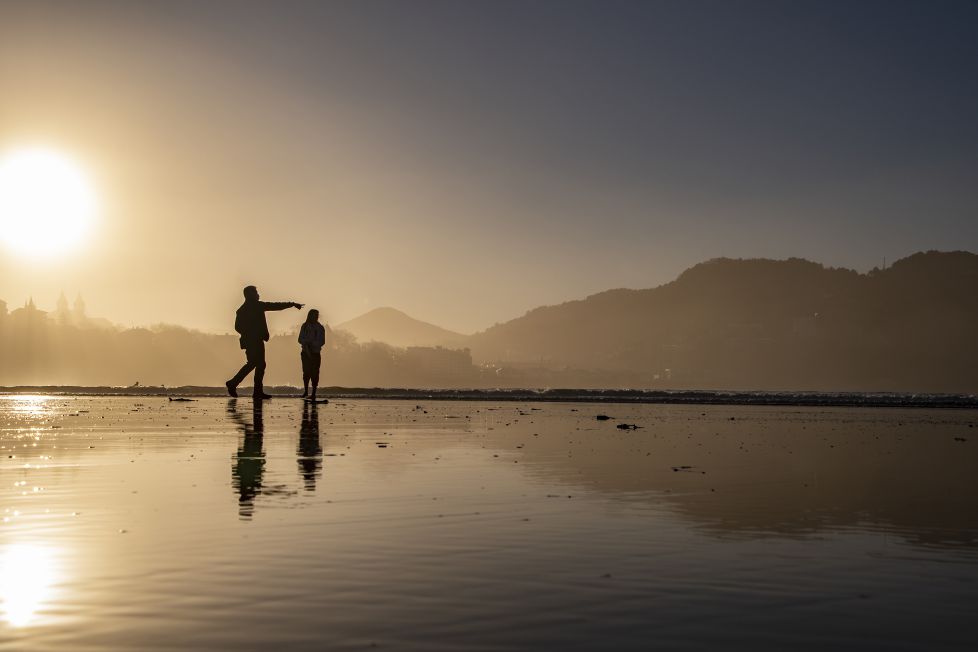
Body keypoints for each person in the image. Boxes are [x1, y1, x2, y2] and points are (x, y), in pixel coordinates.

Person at [226, 285, 303, 399]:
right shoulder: (256, 306)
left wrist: (248, 333)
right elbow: (275, 306)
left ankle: (244, 387)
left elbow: (237, 327)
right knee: (258, 364)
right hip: (254, 340)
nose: (258, 294)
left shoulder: (242, 309)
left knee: (255, 363)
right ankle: (241, 386)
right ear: (250, 294)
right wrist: (292, 304)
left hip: (251, 340)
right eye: (256, 292)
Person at [298, 308, 326, 400]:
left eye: (317, 315)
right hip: (305, 353)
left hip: (315, 353)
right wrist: (306, 344)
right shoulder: (304, 326)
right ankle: (306, 391)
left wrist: (311, 344)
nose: (316, 317)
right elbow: (300, 339)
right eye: (314, 315)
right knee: (306, 372)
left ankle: (313, 393)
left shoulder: (320, 328)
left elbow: (322, 341)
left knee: (315, 373)